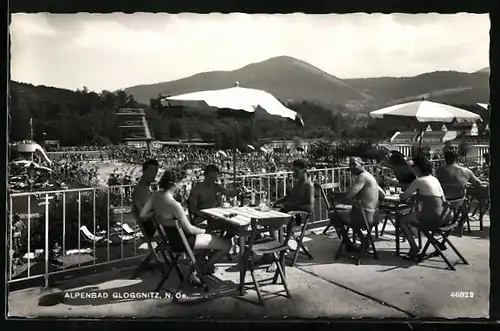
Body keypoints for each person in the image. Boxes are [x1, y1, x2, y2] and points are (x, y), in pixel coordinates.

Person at [140, 169, 231, 281]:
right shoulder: (174, 205)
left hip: (171, 239)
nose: (182, 185)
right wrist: (205, 232)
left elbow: (143, 214)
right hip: (184, 242)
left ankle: (199, 267)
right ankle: (202, 270)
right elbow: (190, 229)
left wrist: (157, 215)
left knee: (209, 242)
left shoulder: (156, 196)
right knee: (227, 244)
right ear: (174, 184)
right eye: (181, 182)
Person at [398, 156, 450, 260]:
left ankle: (414, 247)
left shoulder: (419, 181)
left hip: (433, 216)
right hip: (446, 216)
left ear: (417, 168)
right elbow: (442, 199)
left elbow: (404, 197)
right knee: (416, 216)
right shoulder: (434, 179)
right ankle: (433, 240)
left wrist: (401, 194)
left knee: (402, 220)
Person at [332, 157, 385, 252]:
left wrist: (335, 195)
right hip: (375, 215)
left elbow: (349, 195)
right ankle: (363, 240)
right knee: (349, 212)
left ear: (362, 164)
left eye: (354, 164)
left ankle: (350, 243)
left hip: (364, 216)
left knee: (334, 215)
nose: (351, 167)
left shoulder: (362, 177)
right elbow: (383, 194)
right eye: (350, 165)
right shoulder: (370, 176)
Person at [131, 159, 159, 238]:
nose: (154, 174)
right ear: (144, 171)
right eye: (150, 171)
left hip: (157, 229)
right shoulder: (140, 190)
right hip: (155, 231)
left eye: (156, 171)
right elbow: (143, 216)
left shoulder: (145, 189)